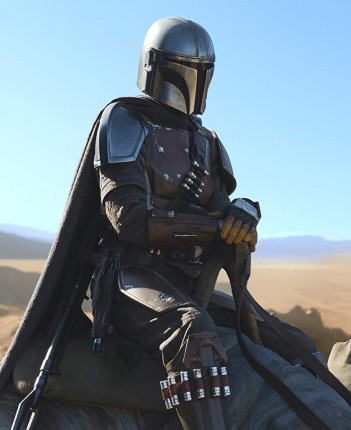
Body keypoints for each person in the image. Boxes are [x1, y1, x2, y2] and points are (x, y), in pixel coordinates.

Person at [92, 17, 260, 429]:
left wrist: (244, 211)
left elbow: (219, 208)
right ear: (157, 67)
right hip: (132, 277)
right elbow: (129, 221)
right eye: (186, 69)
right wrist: (214, 228)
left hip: (188, 281)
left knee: (284, 341)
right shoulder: (125, 120)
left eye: (203, 71)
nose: (195, 81)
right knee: (194, 332)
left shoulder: (206, 141)